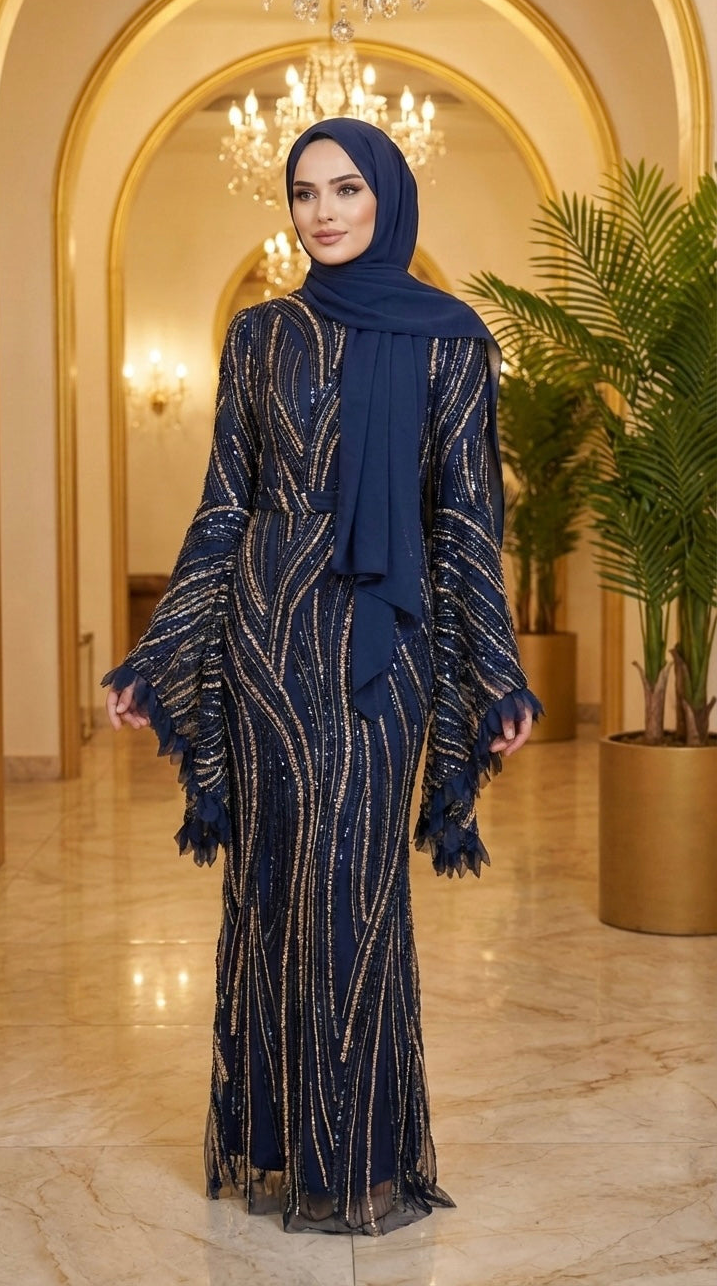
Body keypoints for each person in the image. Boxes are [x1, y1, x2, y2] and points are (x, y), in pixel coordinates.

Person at [104, 118, 541, 1236]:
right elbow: (224, 507)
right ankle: (284, 1146)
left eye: (346, 188)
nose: (324, 211)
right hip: (265, 647)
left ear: (386, 196)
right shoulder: (259, 336)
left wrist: (494, 673)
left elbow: (465, 520)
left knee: (354, 891)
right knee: (274, 895)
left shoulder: (451, 341)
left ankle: (360, 1160)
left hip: (380, 658)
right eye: (305, 192)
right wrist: (160, 651)